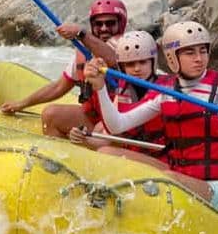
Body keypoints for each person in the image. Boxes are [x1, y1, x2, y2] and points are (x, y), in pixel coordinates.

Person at [83, 21, 218, 220]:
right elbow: (117, 125)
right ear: (172, 58)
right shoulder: (166, 92)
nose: (199, 59)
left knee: (168, 182)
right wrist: (100, 88)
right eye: (190, 53)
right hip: (184, 177)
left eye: (203, 51)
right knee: (106, 152)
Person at [0, 0, 124, 138]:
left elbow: (112, 58)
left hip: (122, 119)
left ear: (121, 23)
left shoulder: (129, 46)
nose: (104, 28)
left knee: (101, 131)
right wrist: (22, 104)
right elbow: (59, 87)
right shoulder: (83, 53)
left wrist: (81, 33)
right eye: (98, 24)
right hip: (95, 115)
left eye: (110, 23)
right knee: (50, 114)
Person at [68, 30, 169, 158]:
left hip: (164, 157)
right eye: (130, 64)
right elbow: (108, 135)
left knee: (106, 151)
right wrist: (84, 139)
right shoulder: (123, 91)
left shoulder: (168, 90)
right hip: (139, 153)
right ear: (122, 67)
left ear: (153, 62)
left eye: (143, 62)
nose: (137, 69)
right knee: (101, 133)